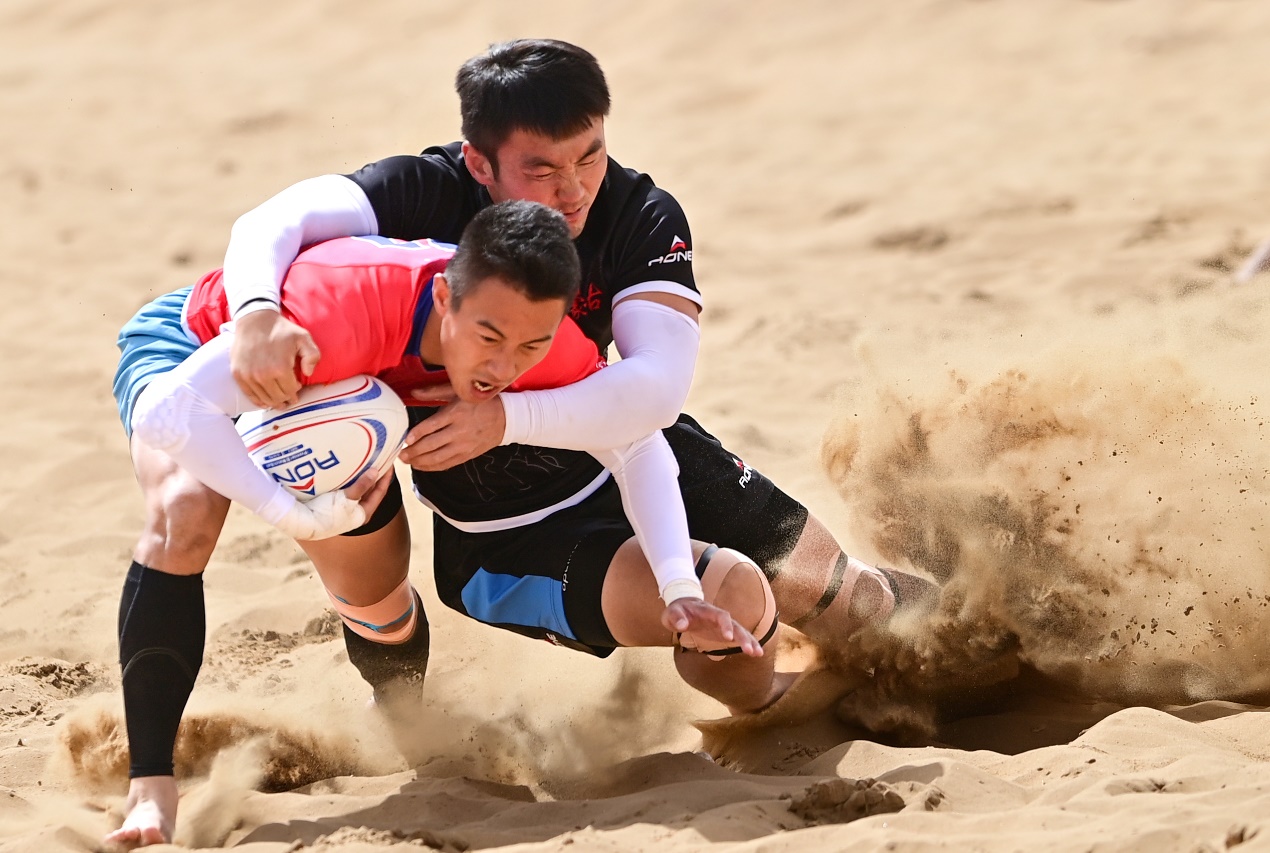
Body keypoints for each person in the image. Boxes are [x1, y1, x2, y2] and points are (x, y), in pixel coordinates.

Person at [224, 38, 934, 666]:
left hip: (637, 453)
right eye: (541, 170)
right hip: (500, 529)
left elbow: (657, 390)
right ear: (479, 162)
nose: (574, 190)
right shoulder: (423, 190)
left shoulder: (640, 214)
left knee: (855, 604)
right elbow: (270, 224)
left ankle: (978, 638)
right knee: (724, 617)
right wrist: (256, 312)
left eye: (590, 154)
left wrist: (504, 419)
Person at [108, 201, 768, 847]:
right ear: (446, 297)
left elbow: (638, 443)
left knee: (376, 589)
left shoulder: (541, 339)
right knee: (184, 514)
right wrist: (287, 514)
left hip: (339, 393)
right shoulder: (338, 314)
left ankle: (397, 707)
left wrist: (679, 586)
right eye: (489, 338)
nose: (504, 368)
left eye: (529, 346)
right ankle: (150, 783)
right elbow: (173, 412)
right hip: (199, 348)